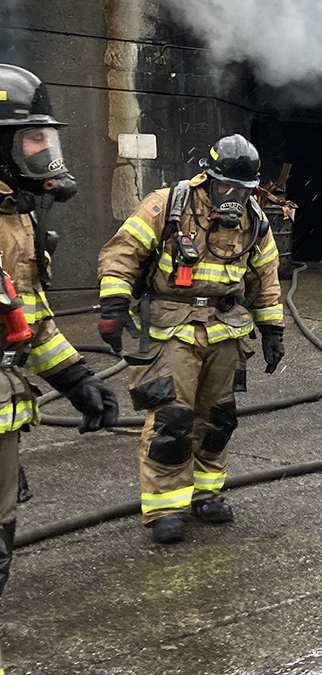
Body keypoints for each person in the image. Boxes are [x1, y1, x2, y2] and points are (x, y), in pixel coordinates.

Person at [98, 133, 284, 545]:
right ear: (208, 179)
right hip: (170, 326)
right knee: (171, 419)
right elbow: (122, 252)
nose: (233, 196)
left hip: (225, 328)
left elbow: (265, 278)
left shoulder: (256, 221)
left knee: (218, 419)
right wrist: (113, 304)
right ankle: (165, 507)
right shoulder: (167, 205)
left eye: (243, 189)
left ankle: (206, 494)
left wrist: (272, 329)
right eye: (226, 187)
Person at [0, 64, 119, 673]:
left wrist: (75, 379)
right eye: (32, 138)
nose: (47, 151)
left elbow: (27, 319)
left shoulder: (16, 216)